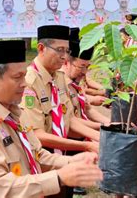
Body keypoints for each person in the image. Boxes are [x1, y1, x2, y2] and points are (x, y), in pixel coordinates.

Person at [0, 40, 103, 197]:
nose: (25, 84)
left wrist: (71, 163)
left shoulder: (14, 113)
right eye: (17, 77)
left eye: (24, 76)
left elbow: (36, 154)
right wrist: (58, 177)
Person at [19, 25, 100, 153]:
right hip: (44, 153)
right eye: (60, 50)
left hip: (63, 147)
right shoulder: (29, 82)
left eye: (67, 51)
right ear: (41, 48)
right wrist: (85, 146)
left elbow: (68, 119)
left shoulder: (59, 77)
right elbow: (37, 134)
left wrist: (100, 135)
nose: (64, 57)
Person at [62, 28, 110, 127]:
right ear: (66, 63)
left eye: (87, 67)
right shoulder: (58, 85)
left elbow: (88, 109)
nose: (85, 72)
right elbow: (71, 122)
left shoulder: (75, 84)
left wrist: (111, 123)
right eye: (81, 67)